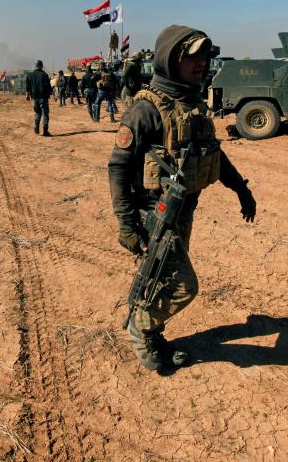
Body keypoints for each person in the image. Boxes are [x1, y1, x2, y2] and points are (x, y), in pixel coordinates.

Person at [108, 25, 257, 372]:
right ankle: (140, 329)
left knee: (162, 281)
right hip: (154, 215)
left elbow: (213, 156)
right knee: (182, 287)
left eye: (205, 56)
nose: (202, 63)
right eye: (193, 56)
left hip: (183, 211)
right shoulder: (145, 111)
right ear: (172, 60)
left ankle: (155, 335)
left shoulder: (191, 104)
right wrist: (127, 224)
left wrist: (241, 189)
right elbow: (117, 169)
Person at [26, 60, 52, 136]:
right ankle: (45, 131)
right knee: (45, 114)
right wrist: (53, 94)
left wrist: (27, 95)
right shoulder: (44, 75)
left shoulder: (29, 75)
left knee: (37, 112)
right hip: (43, 97)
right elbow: (48, 86)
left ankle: (36, 126)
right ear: (41, 66)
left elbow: (28, 87)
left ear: (35, 66)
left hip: (34, 98)